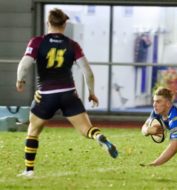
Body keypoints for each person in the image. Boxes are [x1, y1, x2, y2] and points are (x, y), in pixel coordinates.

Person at [16, 8, 118, 177]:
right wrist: (91, 92)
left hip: (45, 95)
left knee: (33, 131)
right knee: (87, 129)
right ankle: (99, 137)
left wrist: (20, 80)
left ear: (48, 23)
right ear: (64, 25)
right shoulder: (72, 44)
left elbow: (25, 64)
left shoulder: (37, 42)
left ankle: (29, 170)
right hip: (68, 94)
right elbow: (87, 71)